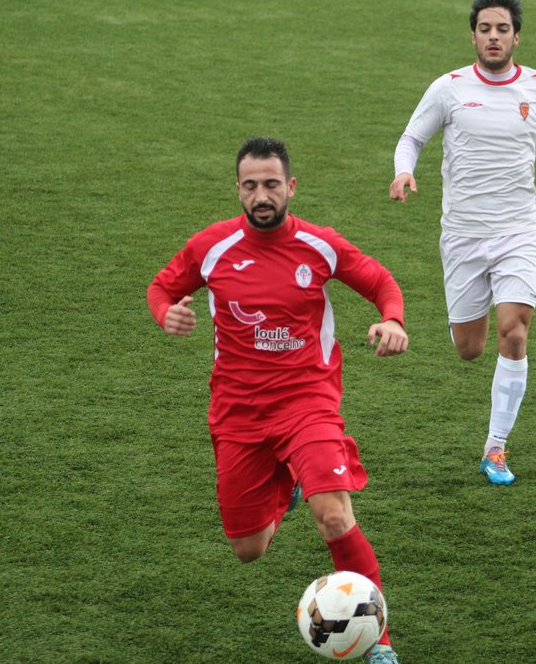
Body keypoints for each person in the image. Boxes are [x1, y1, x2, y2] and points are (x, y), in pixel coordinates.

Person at [148, 137, 407, 663]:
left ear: (291, 187)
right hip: (237, 412)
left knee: (333, 516)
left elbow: (381, 282)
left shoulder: (319, 244)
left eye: (271, 184)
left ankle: (378, 642)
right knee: (249, 548)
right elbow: (161, 288)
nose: (261, 195)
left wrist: (393, 320)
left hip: (307, 402)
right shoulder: (211, 247)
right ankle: (288, 483)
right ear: (238, 190)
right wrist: (165, 313)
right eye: (250, 186)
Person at [388, 0, 536, 486]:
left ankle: (496, 447)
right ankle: (464, 326)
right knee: (469, 348)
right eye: (484, 29)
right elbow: (412, 138)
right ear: (473, 36)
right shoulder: (449, 88)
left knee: (514, 332)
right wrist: (404, 171)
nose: (493, 37)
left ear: (517, 37)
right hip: (463, 235)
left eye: (502, 29)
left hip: (520, 229)